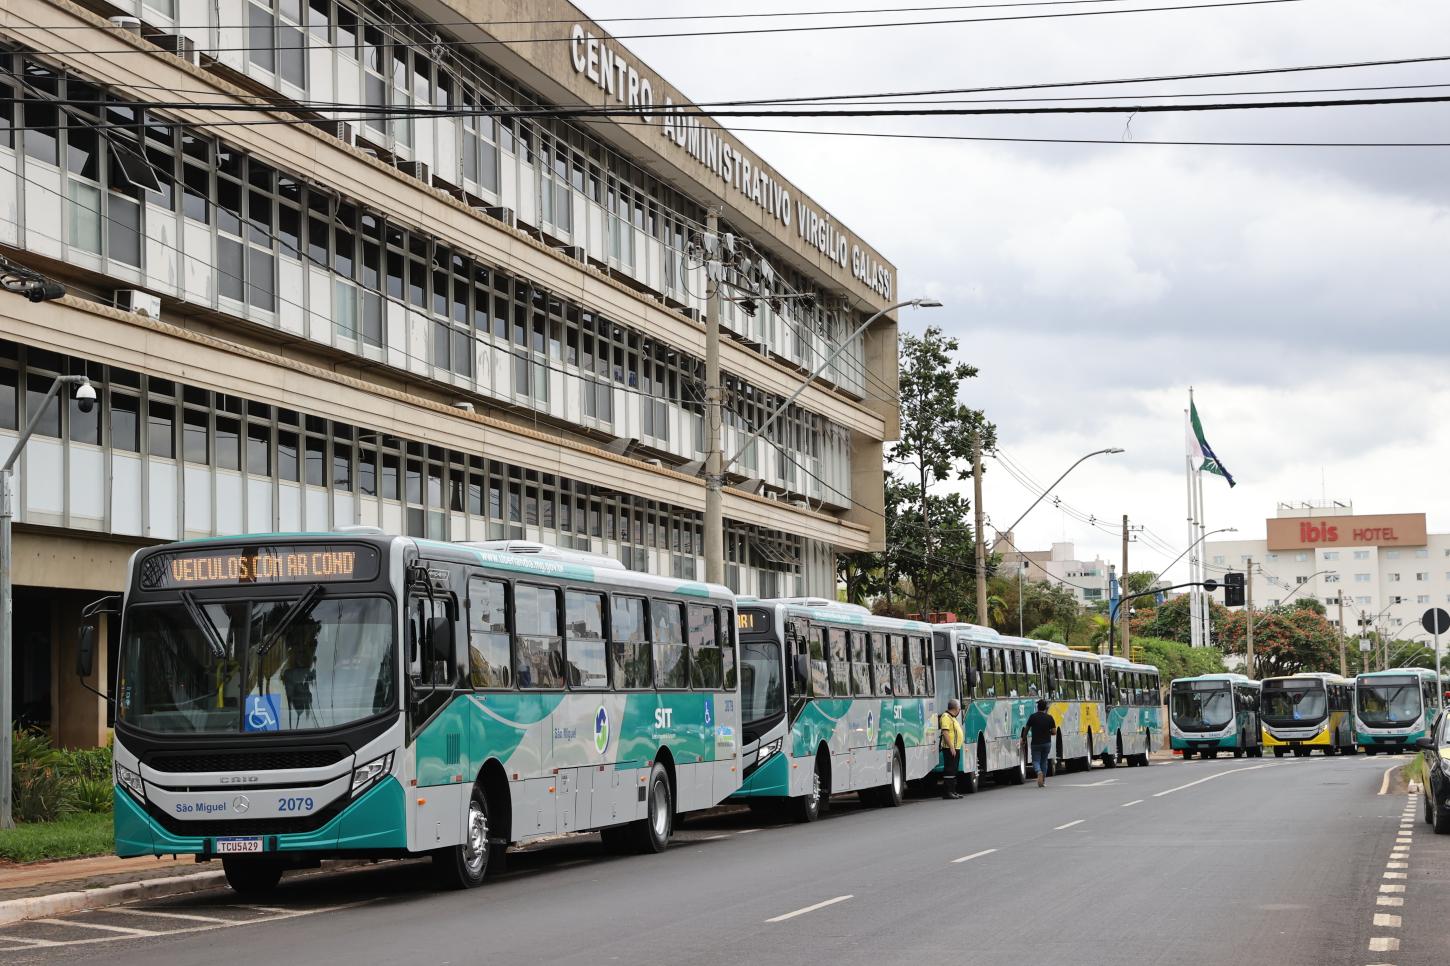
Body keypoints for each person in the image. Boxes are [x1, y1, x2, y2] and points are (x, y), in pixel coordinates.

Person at [1026, 699, 1057, 788]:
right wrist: (1048, 733)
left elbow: (1027, 729)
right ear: (1045, 708)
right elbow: (1054, 732)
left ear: (1037, 707)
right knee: (1044, 761)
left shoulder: (1032, 717)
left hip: (1035, 743)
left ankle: (1038, 771)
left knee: (1036, 760)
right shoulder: (1050, 717)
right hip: (1047, 743)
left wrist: (1023, 739)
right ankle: (1043, 781)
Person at [939, 699, 965, 799]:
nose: (959, 710)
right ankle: (947, 792)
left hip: (955, 748)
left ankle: (953, 791)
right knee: (949, 770)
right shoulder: (946, 717)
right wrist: (951, 747)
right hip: (950, 748)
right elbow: (945, 733)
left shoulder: (952, 717)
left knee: (954, 770)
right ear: (956, 708)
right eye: (959, 708)